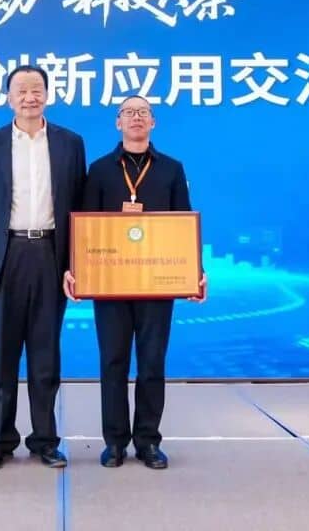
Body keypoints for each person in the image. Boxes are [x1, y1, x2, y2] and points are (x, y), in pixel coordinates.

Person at [63, 95, 207, 470]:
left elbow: (182, 224)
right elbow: (86, 227)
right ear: (118, 123)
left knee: (152, 362)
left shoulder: (171, 169)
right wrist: (77, 270)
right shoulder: (100, 170)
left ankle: (148, 441)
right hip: (110, 283)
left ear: (153, 122)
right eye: (129, 113)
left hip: (156, 283)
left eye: (143, 112)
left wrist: (196, 272)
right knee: (113, 362)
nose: (136, 118)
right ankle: (114, 442)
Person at [0, 65, 86, 470]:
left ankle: (45, 440)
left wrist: (76, 263)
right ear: (8, 97)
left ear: (48, 95)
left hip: (51, 254)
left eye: (36, 90)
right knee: (2, 355)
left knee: (45, 354)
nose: (29, 97)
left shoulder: (71, 143)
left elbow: (79, 207)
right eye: (21, 90)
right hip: (6, 255)